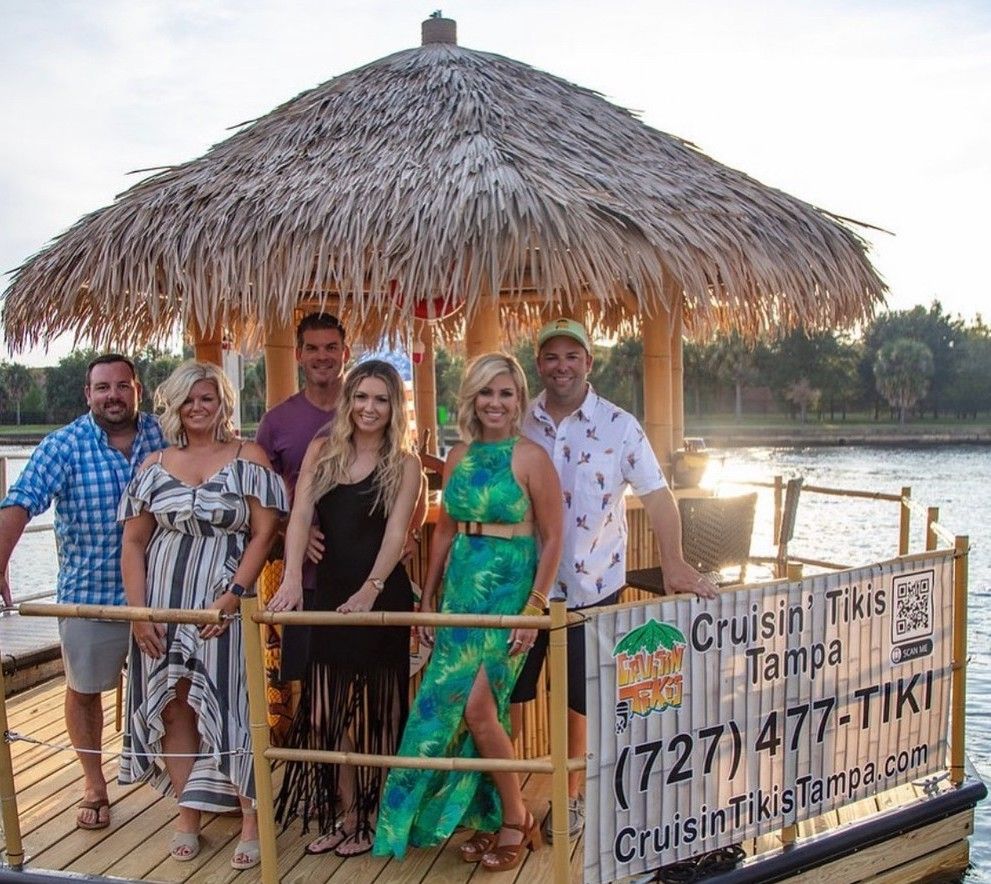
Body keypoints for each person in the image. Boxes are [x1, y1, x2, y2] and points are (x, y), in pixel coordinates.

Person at [510, 318, 718, 842]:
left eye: (572, 356)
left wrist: (673, 560)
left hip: (592, 586)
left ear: (589, 363)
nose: (562, 366)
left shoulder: (620, 425)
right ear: (539, 363)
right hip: (521, 586)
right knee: (509, 692)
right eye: (552, 357)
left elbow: (657, 495)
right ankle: (507, 800)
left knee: (580, 697)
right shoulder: (517, 419)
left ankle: (573, 796)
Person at [374, 353, 563, 873]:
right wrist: (429, 597)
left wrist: (535, 606)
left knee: (480, 709)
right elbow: (444, 530)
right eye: (486, 393)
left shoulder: (531, 457)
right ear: (472, 399)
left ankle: (517, 819)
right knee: (451, 712)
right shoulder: (458, 455)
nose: (495, 403)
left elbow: (552, 540)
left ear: (518, 400)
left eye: (505, 393)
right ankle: (489, 817)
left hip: (510, 593)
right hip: (459, 591)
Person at [118, 360, 287, 869]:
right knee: (174, 704)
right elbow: (133, 541)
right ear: (174, 405)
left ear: (223, 404)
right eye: (188, 399)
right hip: (164, 600)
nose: (198, 407)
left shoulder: (247, 456)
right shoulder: (154, 464)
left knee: (232, 702)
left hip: (223, 601)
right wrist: (139, 612)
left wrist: (235, 593)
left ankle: (252, 819)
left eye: (207, 398)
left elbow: (264, 532)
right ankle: (187, 813)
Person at [0, 354, 166, 831]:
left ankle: (186, 781)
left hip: (164, 594)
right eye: (102, 388)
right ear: (87, 394)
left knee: (177, 689)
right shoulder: (63, 445)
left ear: (138, 390)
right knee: (86, 690)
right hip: (92, 594)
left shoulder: (165, 434)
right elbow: (20, 502)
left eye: (121, 386)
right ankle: (94, 783)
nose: (112, 395)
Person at [268, 359, 421, 858]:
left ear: (393, 405)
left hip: (381, 597)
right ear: (348, 399)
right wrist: (292, 579)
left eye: (380, 399)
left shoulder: (405, 463)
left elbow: (397, 535)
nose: (369, 408)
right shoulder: (324, 449)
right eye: (361, 397)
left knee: (381, 714)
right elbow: (300, 518)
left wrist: (371, 590)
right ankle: (347, 814)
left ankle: (378, 818)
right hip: (330, 595)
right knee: (323, 713)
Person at [255, 312, 350, 729]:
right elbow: (260, 500)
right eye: (312, 348)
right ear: (298, 354)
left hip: (361, 573)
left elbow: (409, 474)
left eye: (331, 347)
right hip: (306, 576)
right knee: (313, 691)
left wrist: (406, 536)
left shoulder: (369, 407)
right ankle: (321, 786)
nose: (322, 356)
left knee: (361, 690)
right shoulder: (276, 422)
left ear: (345, 352)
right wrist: (293, 526)